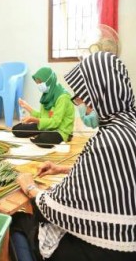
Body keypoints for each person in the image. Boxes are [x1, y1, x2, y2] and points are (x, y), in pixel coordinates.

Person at [13, 52, 136, 261]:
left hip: (112, 249)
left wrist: (31, 187)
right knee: (23, 130)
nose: (78, 102)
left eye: (81, 97)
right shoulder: (128, 124)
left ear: (99, 92)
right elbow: (115, 172)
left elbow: (57, 208)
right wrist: (62, 169)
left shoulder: (107, 142)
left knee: (19, 220)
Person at [12, 67, 74, 148]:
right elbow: (42, 116)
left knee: (43, 139)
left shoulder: (63, 97)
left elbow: (55, 122)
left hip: (60, 130)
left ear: (49, 80)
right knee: (17, 129)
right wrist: (27, 107)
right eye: (37, 83)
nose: (39, 85)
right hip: (46, 127)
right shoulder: (46, 95)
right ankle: (40, 134)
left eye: (40, 82)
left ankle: (42, 135)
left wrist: (33, 120)